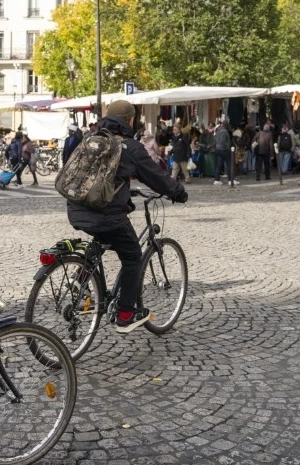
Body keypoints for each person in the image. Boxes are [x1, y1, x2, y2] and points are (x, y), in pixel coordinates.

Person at [66, 100, 187, 332]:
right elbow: (155, 176)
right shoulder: (129, 147)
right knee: (132, 256)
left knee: (100, 238)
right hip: (105, 215)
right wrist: (178, 192)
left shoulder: (91, 139)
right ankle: (125, 313)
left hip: (76, 208)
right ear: (130, 120)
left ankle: (80, 276)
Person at [212, 119, 233, 185]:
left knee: (218, 165)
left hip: (218, 149)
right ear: (226, 125)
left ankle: (217, 180)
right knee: (229, 164)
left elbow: (215, 140)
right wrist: (228, 148)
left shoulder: (218, 131)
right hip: (224, 150)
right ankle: (230, 180)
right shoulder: (225, 132)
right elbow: (223, 141)